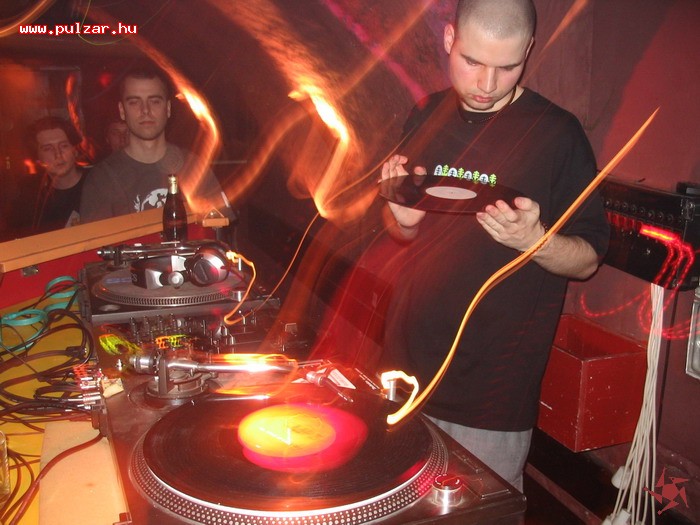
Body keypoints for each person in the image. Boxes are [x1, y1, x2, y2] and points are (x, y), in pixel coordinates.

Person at [377, 0, 609, 492]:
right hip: (404, 372)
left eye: (507, 67)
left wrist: (535, 241)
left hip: (490, 398)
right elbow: (401, 234)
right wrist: (402, 220)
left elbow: (588, 259)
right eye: (472, 61)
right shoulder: (424, 115)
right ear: (449, 39)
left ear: (528, 49)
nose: (487, 84)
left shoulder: (558, 135)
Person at [79, 65, 230, 222]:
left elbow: (222, 229)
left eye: (155, 101)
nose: (145, 110)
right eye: (134, 102)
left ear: (168, 108)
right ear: (122, 110)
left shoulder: (195, 168)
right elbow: (94, 238)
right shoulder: (102, 179)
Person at [25, 116, 87, 232]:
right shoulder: (34, 199)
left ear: (74, 150)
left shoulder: (99, 182)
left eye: (63, 146)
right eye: (48, 149)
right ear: (38, 158)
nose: (58, 154)